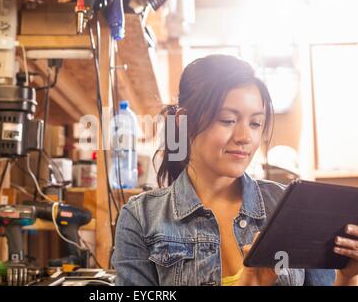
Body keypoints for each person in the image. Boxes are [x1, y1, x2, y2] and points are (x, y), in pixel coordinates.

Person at [112, 54, 358, 286]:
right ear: (183, 122)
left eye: (255, 123)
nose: (244, 137)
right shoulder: (140, 219)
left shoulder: (295, 208)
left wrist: (346, 278)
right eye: (228, 120)